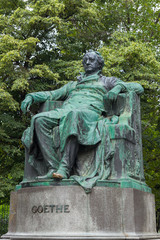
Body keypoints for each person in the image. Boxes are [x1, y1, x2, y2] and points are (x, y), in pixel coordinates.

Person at [21, 50, 143, 191]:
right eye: (85, 60)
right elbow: (51, 94)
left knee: (75, 115)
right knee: (38, 119)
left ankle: (65, 167)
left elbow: (138, 87)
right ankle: (52, 166)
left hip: (89, 113)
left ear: (99, 64)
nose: (87, 62)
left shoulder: (107, 81)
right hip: (65, 111)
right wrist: (31, 96)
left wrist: (118, 88)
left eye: (91, 60)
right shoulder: (74, 84)